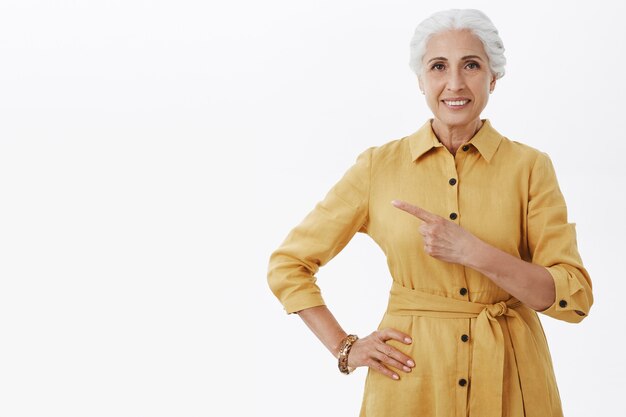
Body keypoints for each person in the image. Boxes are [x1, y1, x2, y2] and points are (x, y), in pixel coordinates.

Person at [266, 8, 593, 417]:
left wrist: (474, 252)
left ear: (493, 77)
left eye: (471, 65)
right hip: (411, 381)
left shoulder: (530, 167)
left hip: (513, 376)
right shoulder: (377, 167)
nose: (454, 83)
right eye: (438, 66)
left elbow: (573, 297)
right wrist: (345, 347)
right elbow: (288, 264)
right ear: (420, 80)